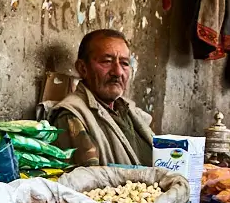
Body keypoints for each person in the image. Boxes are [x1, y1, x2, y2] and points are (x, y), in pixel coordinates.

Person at [50, 30, 155, 167]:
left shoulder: (129, 110)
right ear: (83, 68)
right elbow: (89, 182)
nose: (117, 72)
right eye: (107, 61)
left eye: (124, 63)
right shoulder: (72, 115)